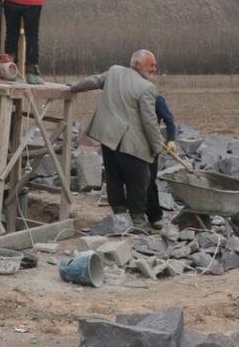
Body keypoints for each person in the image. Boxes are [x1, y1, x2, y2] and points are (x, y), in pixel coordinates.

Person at [68, 50, 167, 229]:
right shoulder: (146, 88)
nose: (155, 69)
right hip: (131, 144)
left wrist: (74, 86)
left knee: (114, 178)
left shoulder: (114, 72)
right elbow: (149, 122)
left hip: (108, 139)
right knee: (139, 181)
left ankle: (120, 217)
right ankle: (137, 220)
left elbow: (94, 81)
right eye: (151, 65)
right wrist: (157, 146)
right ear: (138, 65)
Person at [146, 92, 182, 225]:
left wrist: (171, 140)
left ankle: (155, 216)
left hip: (151, 147)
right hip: (134, 146)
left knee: (149, 180)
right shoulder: (130, 98)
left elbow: (169, 120)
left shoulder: (156, 99)